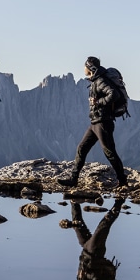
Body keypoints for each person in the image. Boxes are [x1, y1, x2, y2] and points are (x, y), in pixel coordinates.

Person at [57, 57, 129, 189]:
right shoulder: (96, 80)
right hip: (95, 122)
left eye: (85, 66)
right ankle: (73, 179)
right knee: (81, 148)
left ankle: (123, 181)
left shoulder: (100, 80)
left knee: (110, 152)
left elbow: (114, 94)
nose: (83, 68)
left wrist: (98, 102)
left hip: (103, 123)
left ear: (90, 68)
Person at [62, 198, 124, 280]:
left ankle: (73, 200)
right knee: (103, 226)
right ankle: (119, 201)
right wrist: (86, 273)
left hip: (86, 251)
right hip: (94, 253)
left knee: (78, 225)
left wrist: (82, 273)